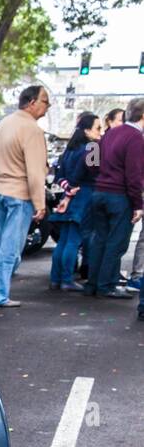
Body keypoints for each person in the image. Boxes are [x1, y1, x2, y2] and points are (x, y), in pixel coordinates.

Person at [0, 84, 50, 310]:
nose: (47, 107)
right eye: (45, 102)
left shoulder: (5, 123)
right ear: (31, 103)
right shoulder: (31, 129)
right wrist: (40, 204)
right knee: (10, 248)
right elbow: (35, 171)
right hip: (20, 194)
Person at [82, 97, 144, 301]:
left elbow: (92, 162)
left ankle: (93, 283)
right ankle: (106, 285)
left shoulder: (109, 134)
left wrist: (103, 177)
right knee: (116, 243)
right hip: (119, 196)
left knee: (100, 239)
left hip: (99, 192)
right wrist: (138, 204)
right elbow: (134, 175)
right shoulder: (136, 138)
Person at [48, 112, 101, 291]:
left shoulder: (70, 150)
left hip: (68, 196)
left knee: (64, 240)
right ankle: (67, 279)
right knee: (73, 240)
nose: (100, 133)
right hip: (83, 195)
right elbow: (93, 172)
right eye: (97, 128)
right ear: (87, 130)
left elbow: (59, 175)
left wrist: (67, 189)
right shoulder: (92, 148)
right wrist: (74, 186)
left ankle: (56, 278)